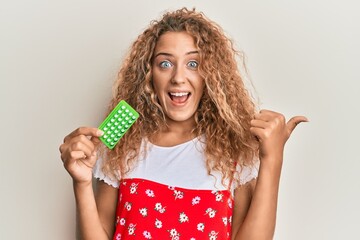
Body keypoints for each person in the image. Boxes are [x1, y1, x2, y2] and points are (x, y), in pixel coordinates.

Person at [59, 8, 307, 240]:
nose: (178, 77)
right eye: (165, 64)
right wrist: (81, 183)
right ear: (149, 74)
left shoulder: (234, 150)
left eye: (193, 64)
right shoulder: (122, 143)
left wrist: (272, 160)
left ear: (210, 75)